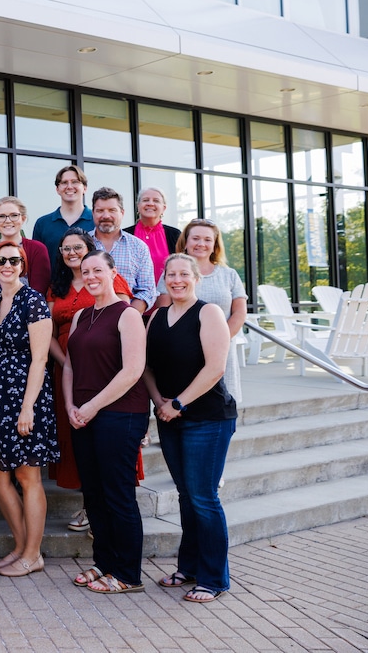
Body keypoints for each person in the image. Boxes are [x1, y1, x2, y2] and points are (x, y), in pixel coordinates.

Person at [144, 253, 237, 604]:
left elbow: (215, 368)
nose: (177, 279)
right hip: (170, 417)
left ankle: (214, 578)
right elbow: (147, 368)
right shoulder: (157, 317)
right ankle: (189, 566)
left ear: (197, 278)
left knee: (204, 497)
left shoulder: (209, 312)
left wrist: (178, 403)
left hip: (208, 418)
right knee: (187, 496)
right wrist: (160, 404)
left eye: (184, 273)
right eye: (171, 274)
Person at [64, 250, 148, 594]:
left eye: (98, 269)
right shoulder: (81, 315)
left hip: (119, 414)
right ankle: (105, 563)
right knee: (94, 494)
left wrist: (92, 406)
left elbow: (132, 370)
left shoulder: (127, 315)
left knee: (118, 495)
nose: (91, 275)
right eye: (86, 271)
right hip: (82, 415)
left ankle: (128, 574)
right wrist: (71, 405)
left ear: (113, 273)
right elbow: (69, 365)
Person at [46, 229, 135, 534]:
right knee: (78, 441)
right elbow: (48, 329)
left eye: (78, 248)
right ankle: (91, 506)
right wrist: (66, 363)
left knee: (109, 454)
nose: (71, 252)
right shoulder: (57, 287)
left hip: (106, 370)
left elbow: (120, 329)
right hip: (69, 369)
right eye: (65, 248)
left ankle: (109, 517)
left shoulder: (113, 285)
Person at [0, 241, 58, 577]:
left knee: (27, 475)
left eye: (14, 260)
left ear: (23, 265)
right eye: (1, 260)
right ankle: (21, 546)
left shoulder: (33, 301)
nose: (7, 265)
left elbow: (40, 359)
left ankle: (33, 554)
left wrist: (27, 408)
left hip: (26, 397)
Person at [156, 219, 247, 402]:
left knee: (221, 407)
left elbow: (239, 313)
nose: (201, 244)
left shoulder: (229, 275)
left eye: (207, 239)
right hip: (183, 354)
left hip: (222, 354)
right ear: (186, 242)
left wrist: (216, 344)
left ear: (214, 245)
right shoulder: (170, 274)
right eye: (195, 238)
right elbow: (164, 312)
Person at [0, 196, 51, 303]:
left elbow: (39, 291)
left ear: (23, 219)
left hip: (28, 314)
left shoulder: (37, 250)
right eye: (2, 216)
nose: (8, 221)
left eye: (14, 215)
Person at [90, 187, 156, 312]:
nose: (106, 215)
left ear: (122, 213)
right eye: (100, 210)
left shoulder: (138, 247)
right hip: (88, 319)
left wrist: (126, 316)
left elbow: (147, 290)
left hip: (127, 320)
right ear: (93, 213)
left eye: (112, 210)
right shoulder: (82, 245)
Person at [31, 165, 95, 268]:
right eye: (64, 182)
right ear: (57, 189)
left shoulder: (96, 220)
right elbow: (37, 263)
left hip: (89, 283)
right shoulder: (42, 224)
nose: (69, 186)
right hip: (54, 284)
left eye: (75, 182)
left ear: (85, 188)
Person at [124, 187, 181, 286]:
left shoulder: (175, 235)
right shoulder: (125, 235)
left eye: (156, 200)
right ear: (138, 206)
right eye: (145, 200)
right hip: (133, 297)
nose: (150, 203)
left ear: (164, 208)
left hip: (168, 296)